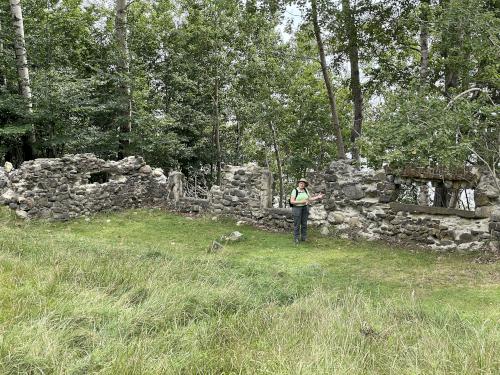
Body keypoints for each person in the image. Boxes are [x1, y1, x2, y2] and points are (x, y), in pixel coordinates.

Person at [290, 178, 324, 245]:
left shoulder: (305, 190)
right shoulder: (295, 191)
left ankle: (304, 237)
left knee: (304, 223)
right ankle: (296, 238)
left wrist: (317, 197)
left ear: (305, 185)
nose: (302, 184)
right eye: (301, 183)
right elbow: (292, 201)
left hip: (305, 208)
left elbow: (309, 199)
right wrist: (301, 201)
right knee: (297, 224)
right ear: (298, 183)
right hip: (297, 208)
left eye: (303, 183)